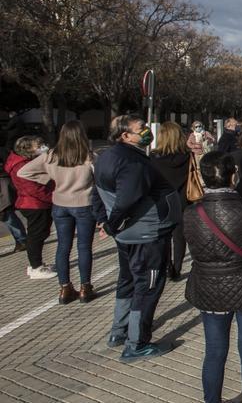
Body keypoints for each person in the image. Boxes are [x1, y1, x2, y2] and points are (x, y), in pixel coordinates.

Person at [183, 152, 242, 403]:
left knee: (214, 351)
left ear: (202, 179)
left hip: (208, 287)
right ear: (233, 175)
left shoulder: (191, 213)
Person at [91, 114, 181, 361]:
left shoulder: (107, 157)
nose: (146, 131)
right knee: (148, 287)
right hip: (147, 235)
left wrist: (105, 222)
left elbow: (96, 194)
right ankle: (137, 344)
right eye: (141, 128)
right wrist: (110, 224)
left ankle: (118, 333)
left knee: (128, 281)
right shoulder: (132, 163)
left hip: (130, 235)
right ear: (125, 136)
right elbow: (126, 199)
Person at [20, 121, 96, 301]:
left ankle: (64, 288)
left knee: (63, 247)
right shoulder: (88, 156)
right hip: (84, 204)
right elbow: (101, 177)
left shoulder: (51, 156)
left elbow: (23, 172)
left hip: (60, 204)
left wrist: (48, 177)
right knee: (84, 247)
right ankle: (85, 287)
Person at [5, 136, 56, 279]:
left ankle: (37, 263)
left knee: (41, 233)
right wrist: (53, 197)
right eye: (37, 146)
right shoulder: (20, 166)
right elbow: (33, 189)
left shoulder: (24, 161)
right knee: (36, 235)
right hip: (34, 204)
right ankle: (36, 267)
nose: (42, 148)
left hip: (36, 203)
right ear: (26, 149)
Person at [149, 121, 191, 282]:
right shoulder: (187, 156)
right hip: (182, 200)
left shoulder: (153, 158)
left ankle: (166, 265)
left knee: (163, 236)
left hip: (161, 202)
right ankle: (177, 268)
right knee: (179, 236)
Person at [0, 147, 28, 252]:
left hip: (3, 182)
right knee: (5, 213)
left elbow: (6, 165)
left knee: (6, 212)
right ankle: (21, 240)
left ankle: (22, 240)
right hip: (4, 181)